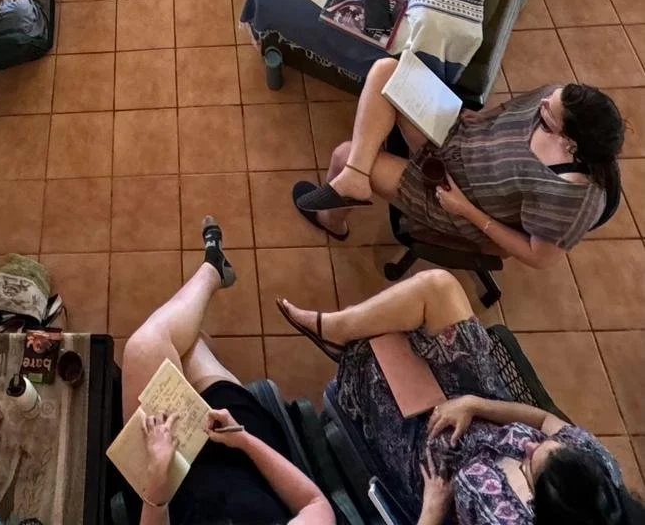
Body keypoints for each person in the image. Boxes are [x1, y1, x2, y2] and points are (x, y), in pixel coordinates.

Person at [276, 269, 640, 525]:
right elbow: (544, 420)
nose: (529, 447)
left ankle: (345, 346)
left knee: (378, 350)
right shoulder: (596, 473)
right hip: (481, 408)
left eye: (532, 463)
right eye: (543, 447)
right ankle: (333, 329)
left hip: (428, 460)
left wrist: (433, 507)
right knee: (439, 288)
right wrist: (475, 404)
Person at [292, 61, 623, 264]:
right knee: (387, 72)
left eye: (549, 112)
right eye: (554, 95)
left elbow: (538, 257)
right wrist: (466, 117)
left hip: (454, 197)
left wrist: (465, 209)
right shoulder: (555, 98)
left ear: (569, 142)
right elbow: (505, 115)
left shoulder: (572, 199)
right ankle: (354, 177)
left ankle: (332, 220)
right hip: (457, 137)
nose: (546, 100)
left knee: (343, 153)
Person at [122, 219, 332, 525]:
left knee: (151, 346)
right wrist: (244, 440)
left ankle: (212, 271)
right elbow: (315, 504)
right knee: (178, 345)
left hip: (163, 487)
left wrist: (157, 480)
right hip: (238, 450)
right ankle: (211, 272)